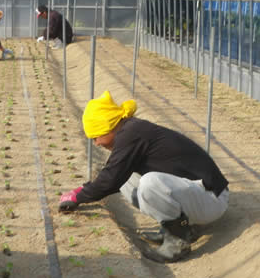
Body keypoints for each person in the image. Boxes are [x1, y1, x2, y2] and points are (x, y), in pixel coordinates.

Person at [58, 91, 229, 263]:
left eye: (96, 137)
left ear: (108, 128)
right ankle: (175, 228)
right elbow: (114, 173)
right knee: (126, 178)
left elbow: (109, 179)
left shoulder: (131, 135)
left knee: (150, 183)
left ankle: (178, 242)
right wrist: (80, 191)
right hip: (196, 193)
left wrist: (78, 197)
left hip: (212, 199)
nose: (97, 143)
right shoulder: (130, 130)